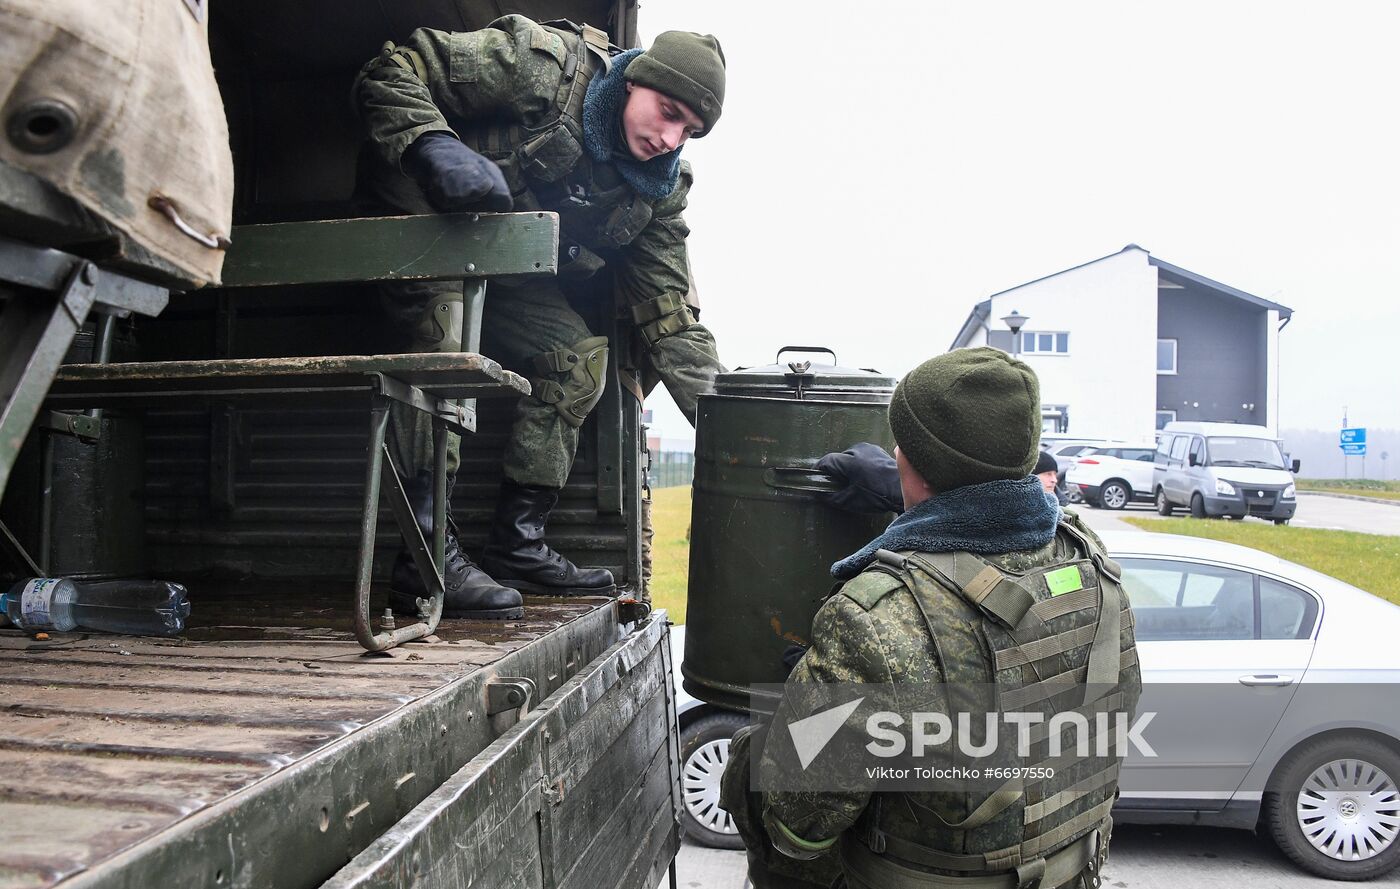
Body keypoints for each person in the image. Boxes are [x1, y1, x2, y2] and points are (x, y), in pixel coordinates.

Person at [723, 347, 1141, 889]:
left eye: (903, 446)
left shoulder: (875, 616)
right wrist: (914, 501)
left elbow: (798, 826)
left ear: (913, 461)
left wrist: (794, 720)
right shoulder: (1088, 557)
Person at [352, 16, 727, 617]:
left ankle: (516, 544)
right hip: (422, 221)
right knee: (446, 345)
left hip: (502, 258)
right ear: (635, 80)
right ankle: (422, 560)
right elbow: (394, 66)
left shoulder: (657, 190)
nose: (670, 136)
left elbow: (669, 316)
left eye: (690, 129)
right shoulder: (545, 67)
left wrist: (729, 422)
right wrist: (432, 145)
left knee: (577, 360)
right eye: (667, 109)